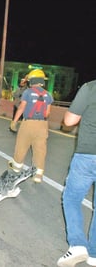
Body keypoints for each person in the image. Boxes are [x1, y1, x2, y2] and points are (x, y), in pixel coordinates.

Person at [57, 80, 96, 267]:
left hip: (88, 156)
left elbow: (70, 121)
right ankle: (94, 255)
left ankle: (78, 244)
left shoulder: (90, 88)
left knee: (71, 198)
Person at [8, 69, 53, 183]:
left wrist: (14, 121)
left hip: (28, 123)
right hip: (42, 125)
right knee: (40, 150)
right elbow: (47, 113)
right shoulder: (48, 95)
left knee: (21, 146)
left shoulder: (27, 92)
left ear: (31, 80)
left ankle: (16, 168)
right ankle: (37, 176)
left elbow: (22, 108)